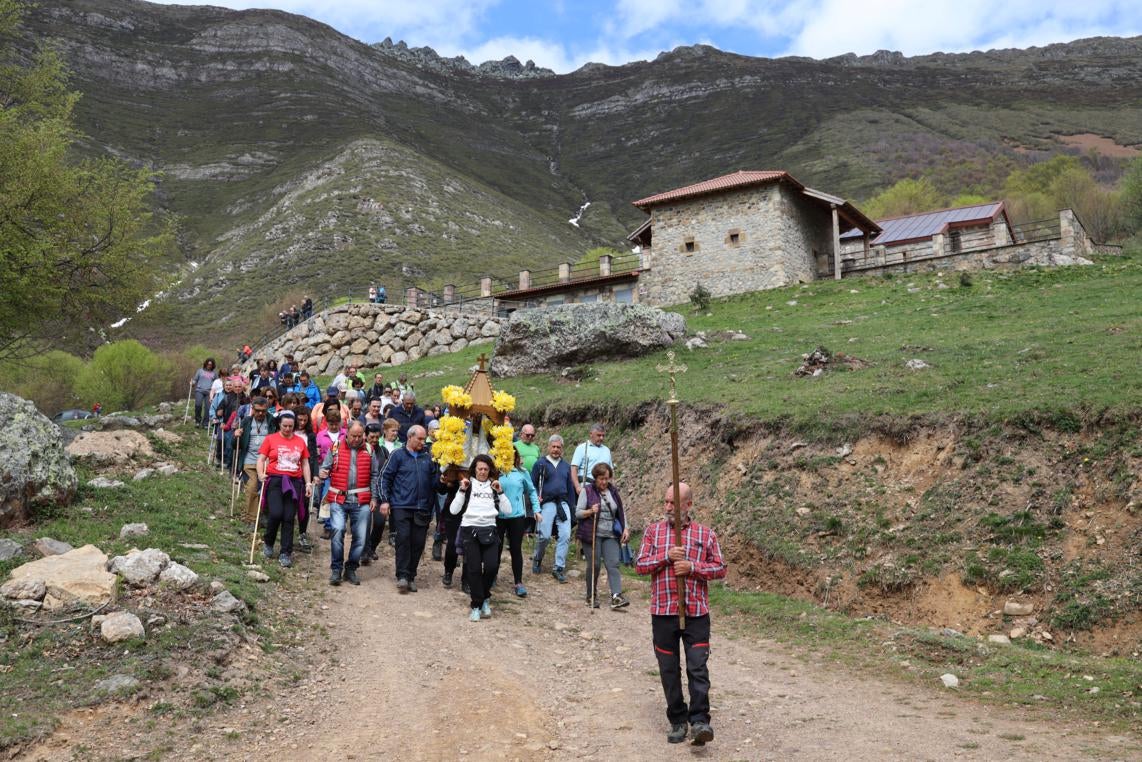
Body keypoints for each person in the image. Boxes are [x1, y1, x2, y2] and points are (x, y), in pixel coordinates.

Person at [635, 482, 726, 746]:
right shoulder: (653, 533)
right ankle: (677, 719)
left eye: (673, 503)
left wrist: (692, 567)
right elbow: (640, 566)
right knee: (668, 669)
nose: (668, 507)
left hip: (696, 613)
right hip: (663, 612)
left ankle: (699, 721)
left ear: (688, 504)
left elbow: (720, 568)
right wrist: (666, 556)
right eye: (665, 502)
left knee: (697, 667)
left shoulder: (705, 534)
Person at [377, 425, 445, 593]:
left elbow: (436, 485)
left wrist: (443, 479)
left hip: (423, 507)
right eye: (420, 439)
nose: (423, 442)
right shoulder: (397, 455)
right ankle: (402, 576)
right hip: (401, 505)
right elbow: (384, 478)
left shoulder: (429, 458)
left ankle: (411, 575)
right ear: (410, 437)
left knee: (418, 543)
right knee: (403, 539)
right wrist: (385, 501)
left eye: (424, 439)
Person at [449, 454, 504, 621]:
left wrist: (500, 492)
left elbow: (507, 510)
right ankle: (477, 604)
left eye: (486, 469)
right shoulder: (468, 485)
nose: (482, 472)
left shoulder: (494, 487)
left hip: (489, 529)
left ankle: (485, 596)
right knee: (473, 569)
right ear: (474, 469)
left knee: (491, 567)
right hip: (470, 529)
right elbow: (453, 510)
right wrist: (461, 490)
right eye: (480, 468)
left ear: (490, 471)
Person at [256, 410, 313, 568]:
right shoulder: (270, 439)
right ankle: (269, 542)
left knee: (288, 517)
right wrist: (261, 474)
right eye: (285, 426)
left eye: (291, 426)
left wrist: (308, 483)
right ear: (279, 425)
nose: (288, 429)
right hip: (275, 479)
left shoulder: (300, 442)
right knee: (276, 513)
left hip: (294, 481)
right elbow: (261, 459)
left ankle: (285, 552)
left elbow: (305, 463)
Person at [319, 421, 374, 586]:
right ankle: (336, 569)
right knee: (337, 530)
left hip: (362, 499)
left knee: (361, 537)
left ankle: (351, 567)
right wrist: (322, 472)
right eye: (353, 436)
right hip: (338, 498)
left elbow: (375, 475)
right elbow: (325, 468)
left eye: (360, 436)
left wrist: (375, 497)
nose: (357, 439)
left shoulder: (369, 450)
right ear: (347, 434)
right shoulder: (335, 448)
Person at [576, 462, 630, 609]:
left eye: (606, 478)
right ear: (595, 478)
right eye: (601, 478)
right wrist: (589, 511)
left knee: (613, 564)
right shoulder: (587, 491)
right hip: (592, 533)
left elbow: (620, 511)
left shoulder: (613, 491)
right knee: (595, 565)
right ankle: (591, 596)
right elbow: (578, 513)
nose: (604, 482)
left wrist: (625, 528)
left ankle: (616, 597)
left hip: (611, 534)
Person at [530, 434, 576, 582]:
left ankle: (558, 567)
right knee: (544, 535)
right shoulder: (540, 464)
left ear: (562, 449)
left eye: (558, 447)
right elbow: (532, 485)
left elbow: (570, 489)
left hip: (562, 503)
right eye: (553, 446)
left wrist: (571, 507)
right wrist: (536, 498)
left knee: (565, 535)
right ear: (549, 447)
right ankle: (537, 558)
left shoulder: (566, 466)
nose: (556, 450)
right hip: (547, 503)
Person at [498, 449, 539, 598]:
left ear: (515, 456)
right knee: (496, 547)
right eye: (504, 454)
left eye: (510, 454)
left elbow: (532, 491)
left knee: (515, 549)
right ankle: (492, 576)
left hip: (516, 516)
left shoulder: (522, 472)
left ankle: (518, 582)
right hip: (498, 516)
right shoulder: (495, 472)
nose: (507, 457)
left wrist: (536, 510)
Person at [233, 396, 277, 530]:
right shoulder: (246, 422)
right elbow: (236, 446)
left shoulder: (272, 422)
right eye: (257, 410)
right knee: (252, 488)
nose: (260, 414)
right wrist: (236, 436)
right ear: (253, 409)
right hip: (249, 461)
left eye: (263, 411)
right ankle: (252, 519)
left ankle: (263, 515)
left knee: (266, 490)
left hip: (267, 462)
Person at [363, 423, 391, 565]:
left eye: (376, 437)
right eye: (371, 437)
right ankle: (364, 551)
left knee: (380, 523)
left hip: (380, 492)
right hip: (363, 492)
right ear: (365, 436)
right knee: (365, 524)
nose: (374, 439)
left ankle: (372, 547)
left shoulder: (384, 451)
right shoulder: (362, 450)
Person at [294, 405, 320, 553]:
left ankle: (302, 533)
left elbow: (313, 457)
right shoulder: (289, 431)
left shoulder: (310, 436)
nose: (302, 423)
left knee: (305, 504)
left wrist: (315, 474)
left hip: (306, 472)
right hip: (291, 472)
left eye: (304, 420)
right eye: (299, 420)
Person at [570, 423, 613, 493]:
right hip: (587, 486)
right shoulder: (582, 448)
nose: (601, 438)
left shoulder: (607, 450)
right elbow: (574, 469)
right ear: (591, 434)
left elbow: (610, 471)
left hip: (604, 487)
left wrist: (611, 486)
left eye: (603, 435)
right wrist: (577, 486)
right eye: (599, 435)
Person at [191, 358, 217, 429]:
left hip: (209, 392)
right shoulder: (200, 371)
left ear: (213, 365)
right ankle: (197, 421)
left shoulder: (214, 373)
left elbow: (216, 382)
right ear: (205, 364)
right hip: (199, 390)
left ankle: (205, 423)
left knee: (208, 408)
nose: (209, 366)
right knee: (198, 405)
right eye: (208, 364)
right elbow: (195, 379)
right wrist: (192, 383)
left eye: (211, 365)